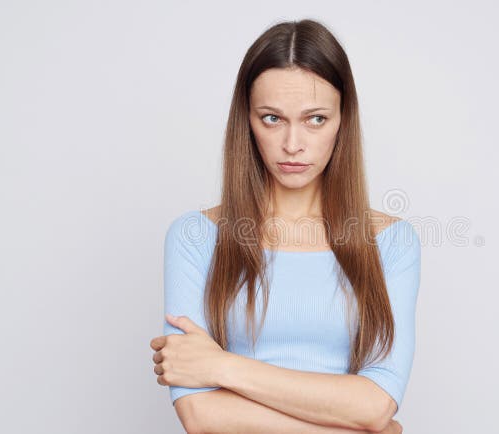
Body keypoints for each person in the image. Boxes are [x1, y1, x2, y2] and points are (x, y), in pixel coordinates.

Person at [149, 18, 421, 434]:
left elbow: (376, 405)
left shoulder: (392, 242)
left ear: (343, 121)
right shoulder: (195, 237)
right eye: (272, 118)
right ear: (247, 121)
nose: (293, 144)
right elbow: (200, 416)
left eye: (315, 119)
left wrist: (222, 367)